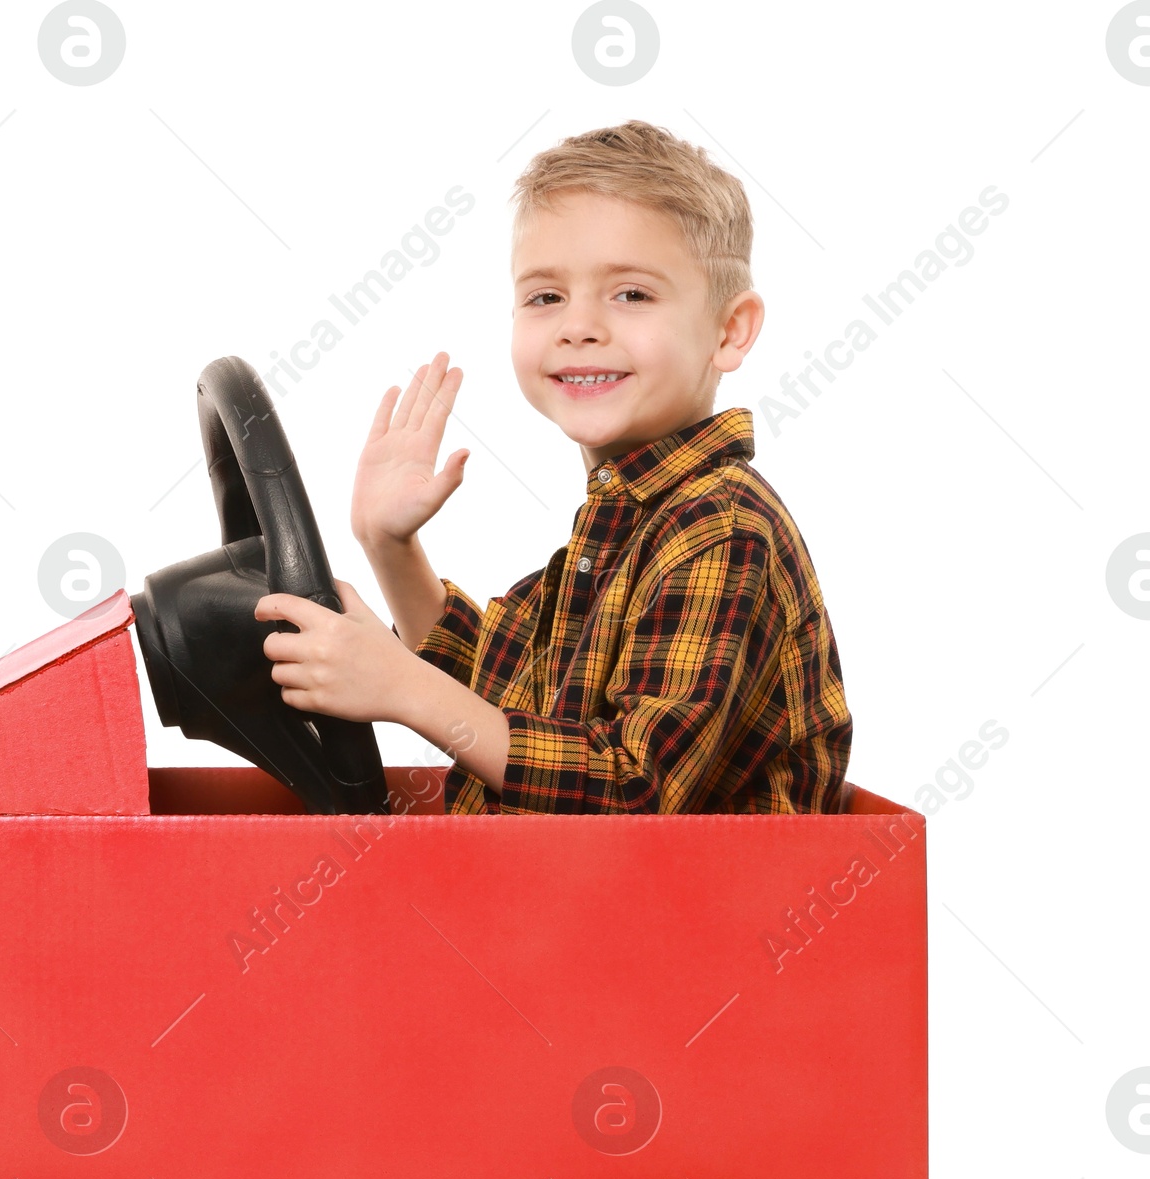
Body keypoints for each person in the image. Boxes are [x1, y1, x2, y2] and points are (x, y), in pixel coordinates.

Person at [253, 120, 853, 814]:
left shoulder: (720, 531)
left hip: (687, 919)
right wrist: (390, 547)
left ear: (729, 330)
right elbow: (496, 706)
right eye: (545, 297)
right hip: (565, 907)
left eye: (631, 293)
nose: (578, 326)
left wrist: (401, 687)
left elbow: (632, 789)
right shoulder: (621, 523)